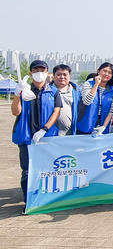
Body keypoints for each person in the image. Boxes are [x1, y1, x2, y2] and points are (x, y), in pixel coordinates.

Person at [11, 60, 62, 206]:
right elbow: (16, 111)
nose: (39, 73)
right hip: (26, 137)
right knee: (27, 171)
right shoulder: (24, 90)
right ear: (30, 73)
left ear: (47, 73)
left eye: (42, 70)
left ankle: (45, 200)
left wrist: (44, 129)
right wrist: (17, 94)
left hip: (46, 137)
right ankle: (29, 202)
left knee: (47, 170)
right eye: (36, 70)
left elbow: (56, 112)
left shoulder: (53, 91)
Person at [76, 62, 113, 135]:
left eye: (110, 72)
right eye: (104, 71)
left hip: (102, 125)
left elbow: (111, 111)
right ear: (98, 71)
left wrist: (104, 127)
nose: (106, 74)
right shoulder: (88, 84)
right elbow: (87, 101)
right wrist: (96, 85)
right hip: (86, 124)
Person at [52, 64, 80, 136]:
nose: (62, 77)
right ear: (53, 76)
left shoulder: (77, 92)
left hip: (72, 134)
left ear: (69, 76)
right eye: (59, 74)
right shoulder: (47, 91)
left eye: (65, 75)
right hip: (51, 134)